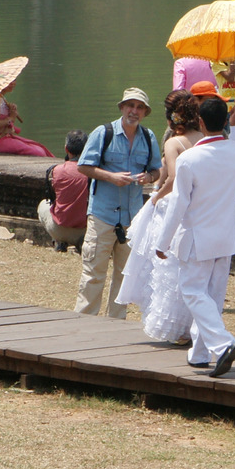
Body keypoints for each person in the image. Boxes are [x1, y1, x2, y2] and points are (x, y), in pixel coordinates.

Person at [155, 97, 235, 377]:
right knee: (213, 297)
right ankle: (199, 352)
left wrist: (163, 241)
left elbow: (178, 203)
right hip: (226, 235)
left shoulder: (189, 158)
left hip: (198, 235)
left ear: (200, 122)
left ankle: (222, 344)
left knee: (194, 292)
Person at [115, 90, 201, 343]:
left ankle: (175, 328)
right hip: (198, 207)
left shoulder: (175, 142)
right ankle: (189, 326)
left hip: (174, 208)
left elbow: (174, 178)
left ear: (172, 117)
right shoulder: (205, 138)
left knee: (166, 266)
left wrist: (156, 196)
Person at [74, 88, 162, 319]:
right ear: (122, 108)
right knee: (93, 274)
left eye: (139, 107)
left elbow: (157, 170)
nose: (134, 111)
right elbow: (83, 166)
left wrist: (149, 178)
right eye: (130, 105)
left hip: (132, 219)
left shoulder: (148, 137)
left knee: (125, 276)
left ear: (144, 112)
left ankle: (116, 325)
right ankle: (84, 323)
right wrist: (111, 177)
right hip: (103, 215)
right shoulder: (103, 133)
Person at [37, 130, 89, 252]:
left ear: (66, 149)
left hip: (59, 228)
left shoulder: (56, 171)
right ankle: (80, 241)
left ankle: (60, 241)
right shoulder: (94, 172)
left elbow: (54, 197)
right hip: (87, 230)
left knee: (43, 205)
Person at [0, 80, 54, 157]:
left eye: (14, 81)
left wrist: (11, 112)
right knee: (38, 152)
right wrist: (11, 118)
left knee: (39, 148)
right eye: (9, 81)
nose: (13, 83)